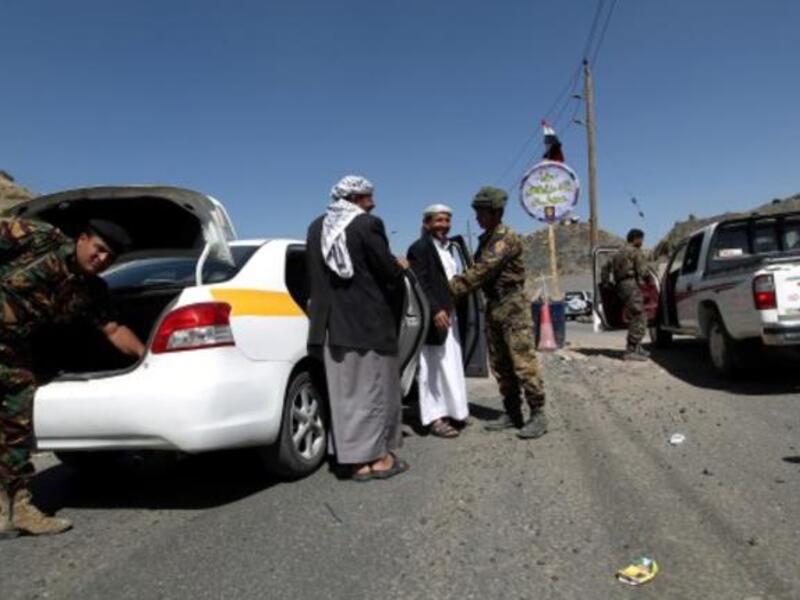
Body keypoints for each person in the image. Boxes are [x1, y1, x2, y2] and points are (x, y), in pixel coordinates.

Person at [0, 218, 145, 539]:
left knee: (15, 419)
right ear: (81, 239)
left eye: (110, 256)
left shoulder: (93, 291)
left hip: (13, 352)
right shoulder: (38, 237)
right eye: (99, 249)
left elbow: (113, 329)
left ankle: (17, 508)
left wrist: (145, 356)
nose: (102, 259)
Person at [306, 175, 410, 481]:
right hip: (369, 325)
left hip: (331, 327)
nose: (373, 203)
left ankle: (355, 463)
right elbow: (387, 272)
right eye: (368, 197)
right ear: (353, 199)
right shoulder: (367, 225)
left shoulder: (316, 227)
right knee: (376, 391)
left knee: (346, 396)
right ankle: (379, 459)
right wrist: (400, 266)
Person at [449, 186, 548, 440]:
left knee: (522, 362)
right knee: (501, 364)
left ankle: (538, 414)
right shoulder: (487, 238)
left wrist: (447, 291)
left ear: (496, 212)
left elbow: (481, 271)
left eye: (481, 212)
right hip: (494, 305)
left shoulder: (505, 238)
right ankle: (512, 412)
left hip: (512, 306)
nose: (477, 217)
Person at [407, 204, 469, 438]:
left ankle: (455, 412)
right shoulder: (419, 248)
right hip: (435, 317)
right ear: (427, 223)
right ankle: (435, 418)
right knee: (432, 369)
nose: (443, 225)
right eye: (438, 221)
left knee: (450, 366)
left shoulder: (447, 248)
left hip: (450, 315)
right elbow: (420, 282)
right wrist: (434, 310)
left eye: (446, 220)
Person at [612, 228, 650, 361]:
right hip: (630, 285)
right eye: (641, 239)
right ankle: (630, 350)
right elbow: (643, 271)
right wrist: (649, 281)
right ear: (636, 239)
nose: (642, 242)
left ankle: (637, 348)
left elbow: (606, 269)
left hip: (620, 286)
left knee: (635, 315)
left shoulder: (618, 252)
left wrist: (606, 283)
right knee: (639, 316)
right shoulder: (634, 251)